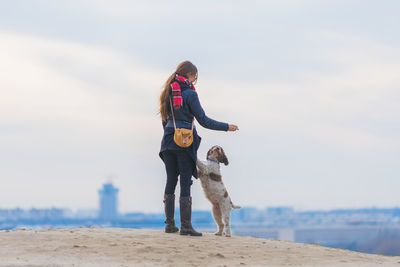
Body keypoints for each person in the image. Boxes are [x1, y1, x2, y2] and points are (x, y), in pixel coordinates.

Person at [159, 61, 239, 236]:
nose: (195, 80)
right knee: (185, 182)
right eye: (195, 76)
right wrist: (226, 126)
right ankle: (186, 227)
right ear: (190, 74)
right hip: (184, 142)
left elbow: (164, 120)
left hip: (167, 141)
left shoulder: (168, 93)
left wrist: (171, 132)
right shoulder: (189, 94)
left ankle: (170, 225)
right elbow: (203, 120)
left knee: (171, 180)